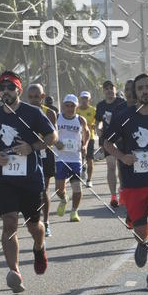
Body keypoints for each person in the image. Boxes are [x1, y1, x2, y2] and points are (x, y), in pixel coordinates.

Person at [0, 71, 55, 293]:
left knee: (34, 226)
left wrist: (32, 147)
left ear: (18, 90)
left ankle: (39, 247)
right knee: (9, 223)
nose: (5, 91)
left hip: (30, 179)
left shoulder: (32, 113)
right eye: (2, 88)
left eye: (10, 88)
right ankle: (14, 272)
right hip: (5, 180)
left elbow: (52, 136)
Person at [104, 73, 148, 291]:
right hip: (133, 182)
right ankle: (142, 242)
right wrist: (122, 157)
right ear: (135, 92)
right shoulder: (125, 116)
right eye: (140, 88)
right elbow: (107, 142)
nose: (145, 91)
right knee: (141, 230)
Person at [27, 82, 58, 236]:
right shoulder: (22, 111)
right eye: (31, 97)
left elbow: (52, 135)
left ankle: (46, 222)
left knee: (44, 188)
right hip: (28, 153)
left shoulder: (49, 113)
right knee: (30, 190)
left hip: (45, 153)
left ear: (43, 97)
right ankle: (33, 220)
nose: (34, 100)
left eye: (37, 97)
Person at [54, 94, 89, 222]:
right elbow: (50, 132)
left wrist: (84, 145)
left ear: (76, 107)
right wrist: (56, 142)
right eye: (67, 105)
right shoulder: (57, 118)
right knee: (59, 190)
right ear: (63, 106)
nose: (69, 108)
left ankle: (74, 211)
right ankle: (64, 199)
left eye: (72, 106)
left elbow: (87, 132)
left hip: (75, 159)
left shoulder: (80, 120)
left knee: (77, 187)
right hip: (60, 158)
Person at [95, 80, 127, 207]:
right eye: (106, 88)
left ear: (115, 89)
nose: (109, 90)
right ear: (103, 91)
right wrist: (98, 129)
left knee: (121, 166)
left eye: (111, 88)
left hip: (122, 139)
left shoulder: (121, 102)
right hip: (108, 139)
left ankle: (122, 191)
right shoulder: (101, 105)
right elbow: (98, 121)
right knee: (111, 165)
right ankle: (113, 196)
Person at [115, 79, 137, 229]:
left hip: (143, 155)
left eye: (132, 89)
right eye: (127, 89)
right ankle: (130, 211)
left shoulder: (145, 108)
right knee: (127, 185)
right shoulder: (119, 109)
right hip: (124, 153)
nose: (129, 92)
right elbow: (111, 133)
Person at [78, 91, 96, 187]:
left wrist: (95, 125)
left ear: (89, 100)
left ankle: (89, 180)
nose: (84, 100)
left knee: (89, 159)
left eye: (86, 98)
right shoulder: (76, 110)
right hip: (78, 138)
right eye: (83, 98)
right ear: (80, 99)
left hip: (90, 138)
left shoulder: (93, 110)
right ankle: (82, 170)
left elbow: (98, 122)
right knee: (79, 158)